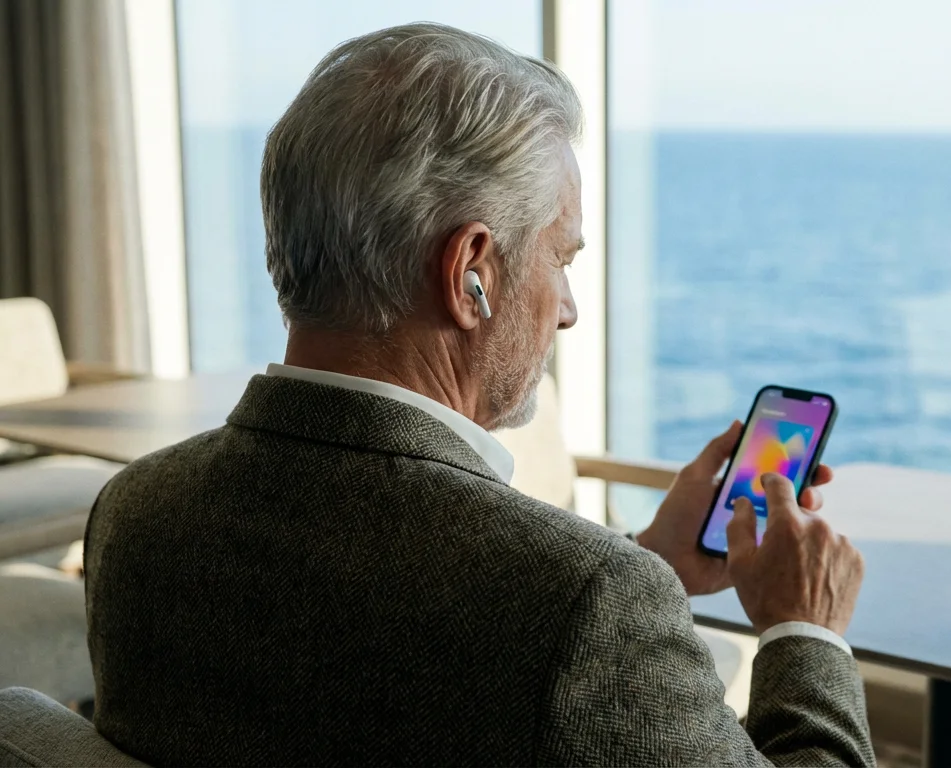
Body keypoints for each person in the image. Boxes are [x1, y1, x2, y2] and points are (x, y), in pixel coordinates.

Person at [84, 23, 870, 766]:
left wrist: (651, 563)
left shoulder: (133, 516)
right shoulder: (584, 604)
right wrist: (805, 629)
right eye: (560, 258)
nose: (567, 308)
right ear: (471, 271)